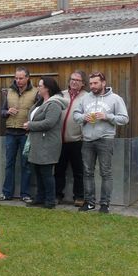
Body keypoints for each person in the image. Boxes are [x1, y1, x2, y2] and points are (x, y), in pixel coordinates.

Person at [73, 71, 129, 214]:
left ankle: (105, 204)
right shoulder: (85, 98)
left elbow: (124, 118)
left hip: (105, 139)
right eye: (91, 83)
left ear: (103, 83)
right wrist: (84, 117)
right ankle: (89, 203)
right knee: (87, 172)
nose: (92, 86)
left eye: (95, 83)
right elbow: (76, 115)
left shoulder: (115, 99)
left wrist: (107, 116)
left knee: (105, 172)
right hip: (87, 140)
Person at [0, 66, 38, 203]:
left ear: (27, 78)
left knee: (26, 165)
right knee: (9, 164)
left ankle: (25, 194)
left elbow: (39, 112)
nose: (18, 80)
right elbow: (2, 112)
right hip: (10, 133)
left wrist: (32, 124)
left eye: (21, 78)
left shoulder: (35, 92)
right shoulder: (10, 92)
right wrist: (7, 112)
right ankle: (6, 193)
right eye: (16, 78)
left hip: (26, 133)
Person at [24, 77, 66, 209]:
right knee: (38, 171)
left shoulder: (54, 104)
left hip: (48, 143)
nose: (38, 87)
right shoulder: (40, 102)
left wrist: (30, 125)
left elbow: (49, 123)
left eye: (40, 85)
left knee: (46, 173)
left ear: (47, 88)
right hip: (37, 143)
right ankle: (40, 198)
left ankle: (50, 200)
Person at [54, 70, 87, 206]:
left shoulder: (86, 97)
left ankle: (79, 197)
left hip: (77, 140)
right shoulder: (61, 95)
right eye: (72, 79)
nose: (74, 82)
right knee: (59, 170)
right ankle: (57, 195)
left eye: (77, 80)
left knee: (78, 171)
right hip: (59, 140)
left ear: (83, 83)